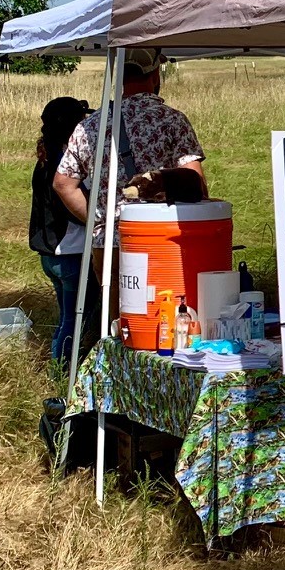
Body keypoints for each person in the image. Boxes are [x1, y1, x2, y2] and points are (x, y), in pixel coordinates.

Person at [52, 50, 206, 350]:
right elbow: (195, 183)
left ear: (118, 78)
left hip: (110, 243)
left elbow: (62, 183)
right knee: (165, 327)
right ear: (155, 75)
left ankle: (114, 385)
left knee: (118, 328)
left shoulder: (89, 126)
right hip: (164, 241)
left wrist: (100, 221)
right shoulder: (172, 121)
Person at [30, 95, 93, 367]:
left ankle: (60, 363)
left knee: (67, 316)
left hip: (51, 254)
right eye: (81, 120)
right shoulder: (65, 165)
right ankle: (64, 368)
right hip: (71, 252)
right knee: (78, 317)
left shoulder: (46, 157)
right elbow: (75, 210)